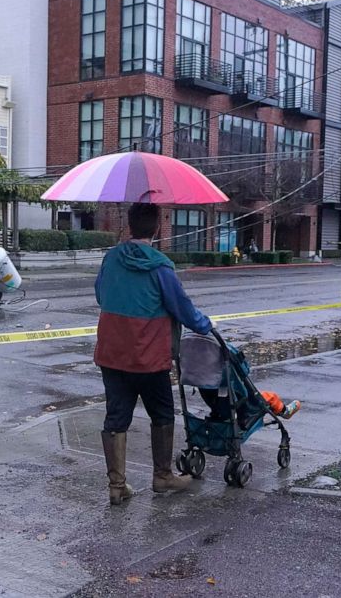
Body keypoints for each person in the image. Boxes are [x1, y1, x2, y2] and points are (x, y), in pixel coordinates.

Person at [95, 203, 213, 505]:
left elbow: (100, 294)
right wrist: (205, 325)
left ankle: (116, 485)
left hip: (112, 353)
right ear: (157, 229)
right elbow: (182, 308)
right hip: (149, 357)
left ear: (129, 225)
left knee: (116, 416)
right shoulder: (161, 267)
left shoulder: (111, 259)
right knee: (161, 414)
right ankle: (162, 476)